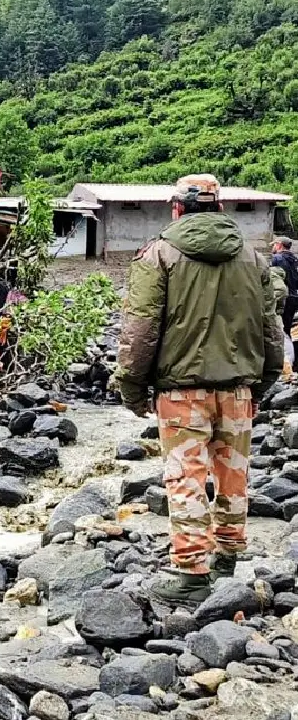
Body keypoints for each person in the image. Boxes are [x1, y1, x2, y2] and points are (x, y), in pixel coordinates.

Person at [116, 174, 283, 608]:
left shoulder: (158, 255)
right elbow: (271, 327)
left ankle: (192, 572)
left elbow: (140, 329)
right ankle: (227, 558)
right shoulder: (253, 257)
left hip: (180, 390)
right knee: (234, 474)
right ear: (220, 207)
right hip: (240, 388)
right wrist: (264, 380)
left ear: (176, 208)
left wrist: (132, 386)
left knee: (185, 478)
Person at [272, 237, 298, 348]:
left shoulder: (277, 259)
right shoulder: (295, 260)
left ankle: (282, 356)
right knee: (288, 329)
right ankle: (290, 356)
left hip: (282, 297)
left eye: (274, 245)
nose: (272, 247)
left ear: (279, 245)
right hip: (294, 297)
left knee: (278, 329)